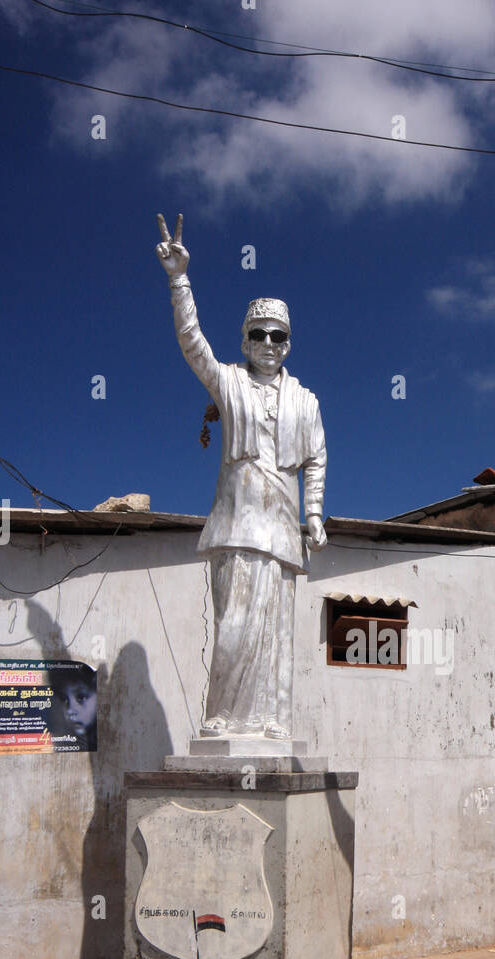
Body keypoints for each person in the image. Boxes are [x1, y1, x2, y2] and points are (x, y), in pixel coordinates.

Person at [155, 213, 327, 740]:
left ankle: (271, 722)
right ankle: (225, 720)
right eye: (259, 335)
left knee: (274, 632)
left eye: (278, 336)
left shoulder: (306, 400)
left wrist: (315, 514)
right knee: (234, 627)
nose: (269, 344)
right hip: (236, 522)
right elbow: (191, 343)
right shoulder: (228, 383)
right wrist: (179, 279)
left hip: (281, 525)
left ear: (289, 344)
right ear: (246, 341)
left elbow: (317, 457)